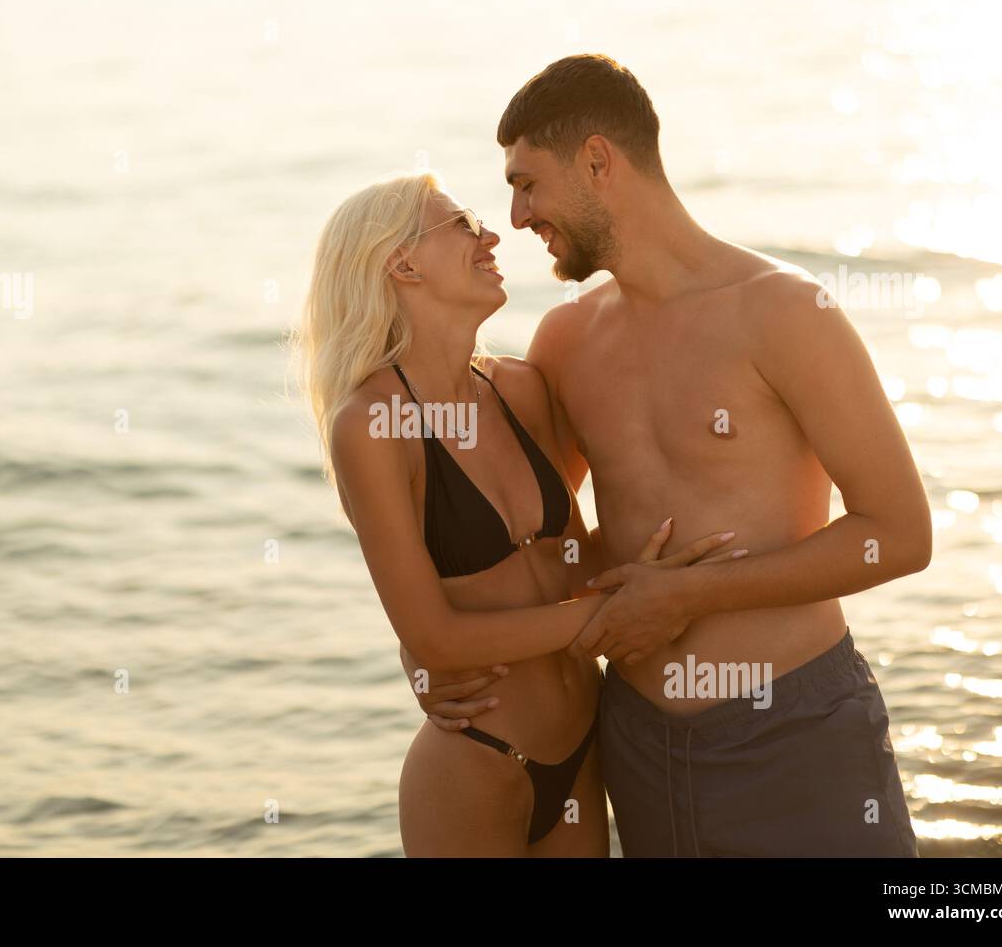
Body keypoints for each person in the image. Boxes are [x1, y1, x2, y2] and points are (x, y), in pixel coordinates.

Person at [412, 54, 929, 857]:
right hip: (637, 743)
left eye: (528, 184)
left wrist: (691, 596)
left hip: (795, 731)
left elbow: (898, 534)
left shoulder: (787, 313)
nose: (515, 217)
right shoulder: (566, 340)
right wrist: (431, 647)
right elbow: (535, 547)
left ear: (597, 161)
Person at [299, 171, 744, 856]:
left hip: (583, 747)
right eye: (463, 224)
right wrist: (616, 613)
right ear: (403, 264)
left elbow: (570, 557)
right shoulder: (372, 424)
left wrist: (671, 556)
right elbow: (436, 637)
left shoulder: (521, 388)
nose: (492, 235)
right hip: (478, 757)